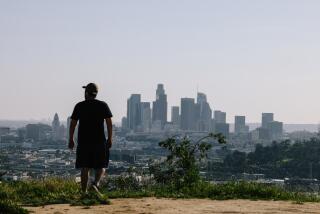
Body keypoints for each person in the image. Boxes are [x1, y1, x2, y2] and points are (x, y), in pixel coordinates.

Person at [68, 83, 113, 193]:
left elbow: (73, 123)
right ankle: (95, 183)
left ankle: (84, 192)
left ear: (86, 93)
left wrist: (71, 139)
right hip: (99, 141)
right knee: (102, 165)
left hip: (84, 142)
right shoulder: (103, 105)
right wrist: (110, 138)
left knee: (85, 167)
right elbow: (109, 123)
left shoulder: (79, 106)